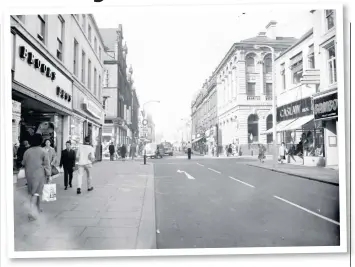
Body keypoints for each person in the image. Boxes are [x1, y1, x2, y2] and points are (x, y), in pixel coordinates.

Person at [21, 133, 51, 221]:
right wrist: (49, 175)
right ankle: (31, 212)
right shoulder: (43, 151)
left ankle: (37, 209)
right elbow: (47, 164)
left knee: (33, 192)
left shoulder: (27, 151)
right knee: (36, 193)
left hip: (29, 174)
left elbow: (23, 163)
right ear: (40, 141)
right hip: (39, 174)